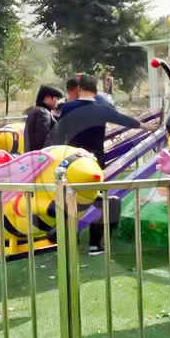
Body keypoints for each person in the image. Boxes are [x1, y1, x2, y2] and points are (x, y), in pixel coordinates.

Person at [49, 74, 159, 254]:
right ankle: (95, 243)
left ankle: (67, 240)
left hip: (72, 160)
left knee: (70, 198)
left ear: (79, 89)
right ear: (96, 91)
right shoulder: (102, 109)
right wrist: (147, 127)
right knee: (98, 201)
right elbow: (124, 120)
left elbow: (59, 134)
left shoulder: (68, 108)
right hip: (95, 163)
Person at [24, 85, 64, 151]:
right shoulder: (43, 113)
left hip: (33, 154)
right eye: (56, 98)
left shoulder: (35, 111)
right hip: (42, 155)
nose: (57, 102)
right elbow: (43, 140)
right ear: (48, 97)